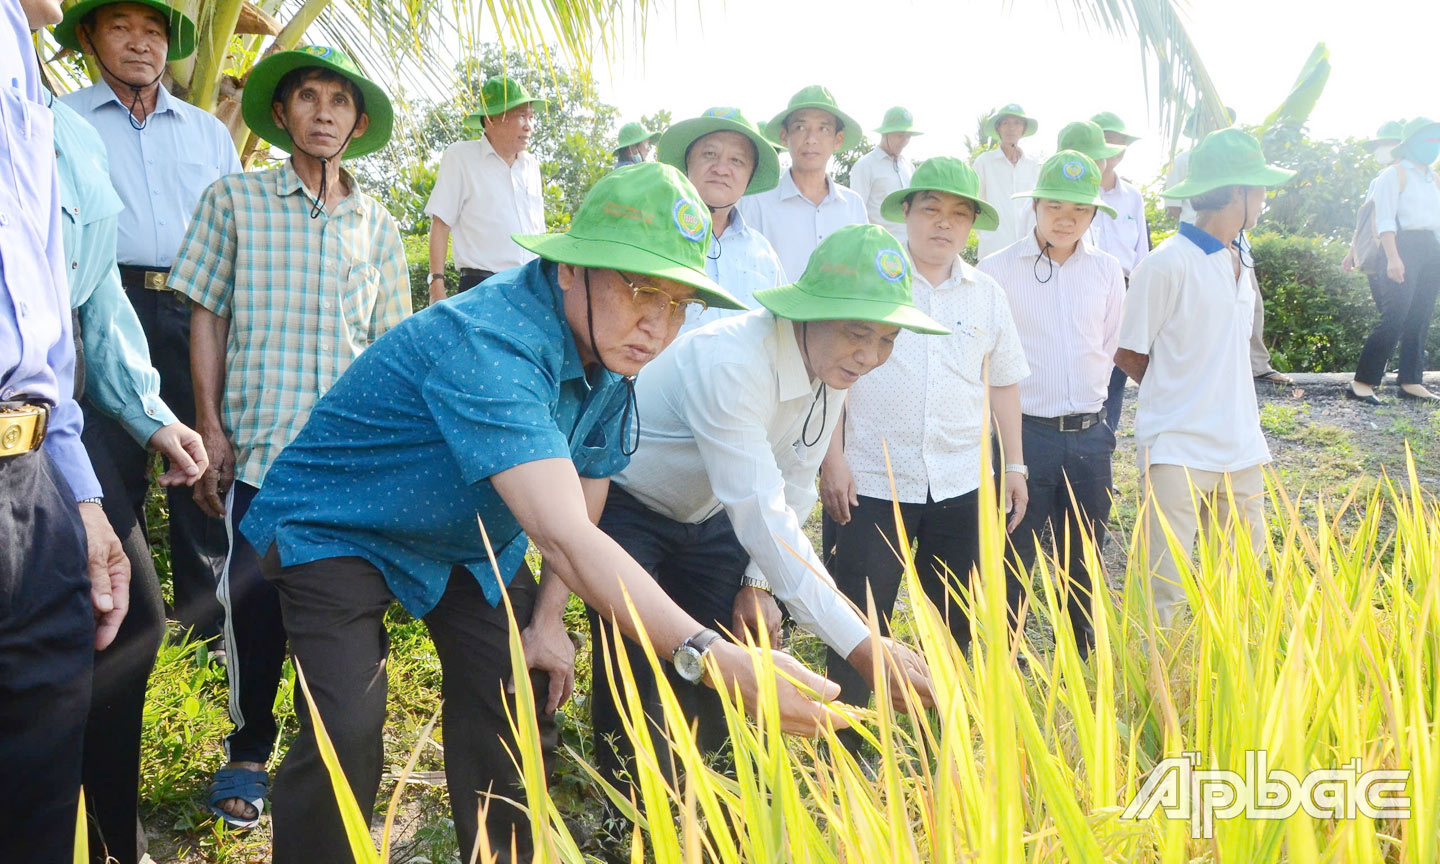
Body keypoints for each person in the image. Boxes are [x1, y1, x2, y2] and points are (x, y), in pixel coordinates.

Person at [239, 163, 851, 862]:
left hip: (466, 542)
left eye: (679, 303)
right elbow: (560, 535)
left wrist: (550, 619)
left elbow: (583, 499)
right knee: (346, 723)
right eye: (638, 287)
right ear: (569, 269)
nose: (656, 326)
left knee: (519, 697)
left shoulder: (612, 362)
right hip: (341, 525)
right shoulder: (493, 342)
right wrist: (712, 656)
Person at [588, 223, 943, 792]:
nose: (870, 355)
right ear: (810, 312)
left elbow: (797, 476)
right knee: (633, 666)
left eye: (887, 339)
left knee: (715, 669)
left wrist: (758, 581)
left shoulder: (832, 370)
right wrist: (861, 644)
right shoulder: (731, 360)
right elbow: (761, 510)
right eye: (858, 333)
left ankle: (697, 811)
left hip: (712, 518)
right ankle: (623, 816)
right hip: (632, 507)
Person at [169, 45, 412, 829]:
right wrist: (209, 426)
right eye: (308, 98)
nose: (323, 113)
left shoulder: (376, 225)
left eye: (339, 102)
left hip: (344, 467)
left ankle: (328, 753)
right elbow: (205, 312)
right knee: (253, 607)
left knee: (343, 610)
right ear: (282, 113)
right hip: (258, 446)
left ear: (357, 121)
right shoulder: (234, 199)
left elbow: (389, 350)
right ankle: (247, 749)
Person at [52, 89, 209, 863]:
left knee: (130, 621)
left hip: (54, 425)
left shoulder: (64, 134)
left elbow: (95, 300)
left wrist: (152, 416)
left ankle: (111, 838)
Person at [57, 0, 241, 646]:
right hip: (103, 305)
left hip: (193, 310)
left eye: (154, 31)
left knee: (201, 461)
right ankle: (115, 617)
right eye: (121, 28)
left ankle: (205, 636)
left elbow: (233, 233)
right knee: (107, 456)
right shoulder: (63, 122)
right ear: (88, 37)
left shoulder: (206, 132)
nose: (140, 44)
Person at [818, 160, 1028, 713]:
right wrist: (831, 458)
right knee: (860, 617)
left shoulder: (987, 294)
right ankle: (848, 734)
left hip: (961, 481)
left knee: (953, 616)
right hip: (871, 479)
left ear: (972, 226)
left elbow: (1004, 384)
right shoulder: (874, 282)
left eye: (959, 214)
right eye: (931, 209)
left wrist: (1015, 467)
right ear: (906, 212)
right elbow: (836, 372)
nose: (944, 224)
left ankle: (938, 725)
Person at [1, 0, 130, 857]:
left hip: (29, 475)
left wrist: (80, 498)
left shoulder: (24, 69)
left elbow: (50, 325)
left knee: (37, 797)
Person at [1114, 129, 1296, 627]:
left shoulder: (1242, 257)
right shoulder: (1165, 263)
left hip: (1242, 447)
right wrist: (1182, 391)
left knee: (1242, 585)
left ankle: (1230, 696)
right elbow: (1129, 353)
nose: (1263, 200)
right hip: (1175, 447)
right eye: (1258, 189)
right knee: (1165, 591)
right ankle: (1159, 698)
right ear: (1235, 192)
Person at [978, 151, 1125, 657]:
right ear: (1035, 205)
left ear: (1092, 216)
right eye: (1055, 206)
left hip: (1089, 437)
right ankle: (1005, 660)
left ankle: (1082, 661)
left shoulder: (1107, 272)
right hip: (1025, 436)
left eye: (1080, 211)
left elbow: (1107, 347)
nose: (1066, 219)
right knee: (1010, 553)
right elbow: (986, 356)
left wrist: (1091, 412)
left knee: (1083, 556)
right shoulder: (996, 270)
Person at [654, 106, 785, 332]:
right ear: (688, 162)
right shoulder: (652, 234)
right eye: (710, 154)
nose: (721, 169)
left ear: (750, 176)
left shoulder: (764, 254)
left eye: (737, 160)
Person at [425, 75, 546, 301]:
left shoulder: (531, 165)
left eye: (531, 116)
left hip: (531, 288)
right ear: (491, 119)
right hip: (481, 288)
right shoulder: (461, 157)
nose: (529, 125)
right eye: (521, 116)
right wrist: (436, 285)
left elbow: (538, 232)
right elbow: (440, 223)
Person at [1348, 117, 1440, 404]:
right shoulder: (1393, 174)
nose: (1433, 146)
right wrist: (1393, 258)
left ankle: (1411, 379)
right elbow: (1385, 219)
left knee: (1421, 315)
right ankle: (1363, 381)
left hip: (1431, 248)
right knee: (1396, 315)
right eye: (1427, 139)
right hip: (1402, 245)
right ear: (1409, 143)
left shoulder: (1433, 177)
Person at [738, 84, 867, 280]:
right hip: (773, 311)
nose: (811, 139)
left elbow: (861, 270)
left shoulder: (853, 205)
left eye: (823, 129)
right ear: (784, 136)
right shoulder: (756, 202)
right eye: (800, 127)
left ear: (837, 139)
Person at [1088, 113, 1151, 430]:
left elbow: (1142, 252)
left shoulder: (1132, 196)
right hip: (1085, 287)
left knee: (1117, 368)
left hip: (1124, 289)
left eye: (1120, 140)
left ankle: (1105, 439)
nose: (1114, 146)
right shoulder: (1080, 193)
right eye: (1107, 138)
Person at [973, 103, 1041, 259]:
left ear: (1023, 129)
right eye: (1006, 123)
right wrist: (985, 234)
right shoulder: (984, 163)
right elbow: (976, 203)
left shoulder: (1034, 164)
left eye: (1017, 123)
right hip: (994, 247)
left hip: (1029, 247)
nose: (1011, 128)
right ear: (998, 129)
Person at [849, 106, 919, 243]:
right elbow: (855, 212)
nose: (904, 141)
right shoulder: (865, 166)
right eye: (900, 135)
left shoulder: (908, 167)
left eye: (908, 136)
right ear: (885, 133)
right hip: (877, 247)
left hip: (909, 248)